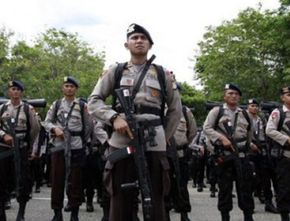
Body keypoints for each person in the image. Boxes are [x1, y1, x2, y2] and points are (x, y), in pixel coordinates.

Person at [88, 23, 182, 221]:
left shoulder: (163, 74)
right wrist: (114, 118)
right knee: (120, 198)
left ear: (150, 45)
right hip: (122, 140)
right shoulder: (116, 71)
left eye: (143, 38)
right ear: (126, 44)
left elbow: (175, 110)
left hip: (154, 141)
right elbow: (93, 101)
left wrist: (163, 136)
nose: (139, 41)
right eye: (135, 38)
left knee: (156, 198)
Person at [203, 83, 255, 221]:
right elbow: (207, 128)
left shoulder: (245, 113)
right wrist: (221, 138)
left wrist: (247, 148)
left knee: (245, 189)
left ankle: (248, 216)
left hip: (242, 156)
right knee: (225, 190)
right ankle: (225, 217)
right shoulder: (216, 111)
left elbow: (249, 133)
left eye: (236, 94)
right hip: (225, 157)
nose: (233, 96)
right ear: (224, 96)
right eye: (230, 93)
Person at [43, 76, 91, 221]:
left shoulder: (82, 106)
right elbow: (46, 122)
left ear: (76, 89)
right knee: (57, 180)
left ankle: (74, 213)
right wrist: (54, 129)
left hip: (76, 148)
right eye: (66, 86)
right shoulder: (56, 104)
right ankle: (57, 213)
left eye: (72, 86)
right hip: (59, 147)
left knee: (76, 181)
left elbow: (88, 127)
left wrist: (82, 142)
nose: (69, 88)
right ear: (62, 88)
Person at [0, 80, 40, 221]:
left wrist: (27, 143)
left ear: (21, 92)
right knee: (2, 180)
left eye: (18, 89)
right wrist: (3, 135)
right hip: (5, 150)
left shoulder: (27, 109)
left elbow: (35, 128)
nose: (15, 92)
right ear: (9, 92)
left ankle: (21, 212)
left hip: (21, 148)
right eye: (12, 89)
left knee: (22, 181)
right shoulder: (3, 108)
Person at [246, 98, 278, 214]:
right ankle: (249, 205)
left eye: (256, 106)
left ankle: (269, 203)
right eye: (252, 106)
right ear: (248, 107)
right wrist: (250, 144)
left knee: (266, 177)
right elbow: (239, 134)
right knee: (251, 178)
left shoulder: (261, 119)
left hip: (262, 149)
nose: (254, 108)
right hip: (249, 151)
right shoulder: (243, 118)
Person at [266, 86, 290, 221]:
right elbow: (269, 130)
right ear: (282, 97)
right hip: (285, 157)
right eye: (289, 94)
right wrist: (286, 139)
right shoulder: (278, 112)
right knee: (284, 189)